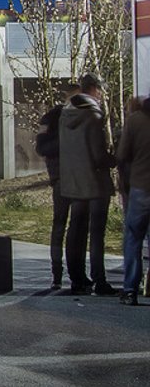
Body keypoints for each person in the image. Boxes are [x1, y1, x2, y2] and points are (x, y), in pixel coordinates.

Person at [58, 74, 119, 295]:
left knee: (75, 230)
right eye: (101, 90)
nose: (102, 95)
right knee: (96, 234)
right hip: (94, 183)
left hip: (74, 181)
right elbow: (98, 155)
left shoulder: (66, 112)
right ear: (93, 89)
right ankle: (99, 280)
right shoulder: (93, 115)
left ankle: (77, 278)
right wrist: (115, 158)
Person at [116, 95, 150, 306]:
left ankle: (130, 289)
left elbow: (122, 155)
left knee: (133, 238)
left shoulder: (136, 120)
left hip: (141, 187)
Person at [34, 98, 69, 289]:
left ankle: (58, 272)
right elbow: (42, 147)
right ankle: (60, 272)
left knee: (60, 226)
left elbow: (41, 147)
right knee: (66, 226)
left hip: (59, 177)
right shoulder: (55, 118)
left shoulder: (49, 119)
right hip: (64, 178)